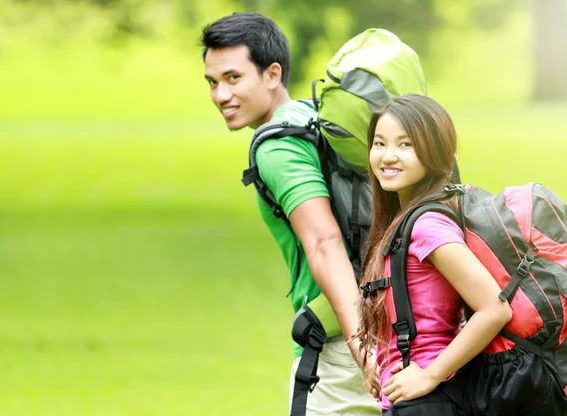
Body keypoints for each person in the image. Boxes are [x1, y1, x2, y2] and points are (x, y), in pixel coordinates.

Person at [201, 12, 380, 415]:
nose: (220, 95)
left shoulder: (277, 146)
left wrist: (362, 346)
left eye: (233, 78)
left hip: (341, 347)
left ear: (272, 73)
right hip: (400, 316)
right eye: (212, 82)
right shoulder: (313, 115)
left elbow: (323, 241)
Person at [356, 94, 513, 415]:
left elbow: (494, 309)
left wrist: (430, 373)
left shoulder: (427, 225)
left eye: (405, 145)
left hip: (431, 400)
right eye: (379, 143)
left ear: (435, 151)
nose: (387, 156)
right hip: (415, 396)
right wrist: (383, 364)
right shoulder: (403, 219)